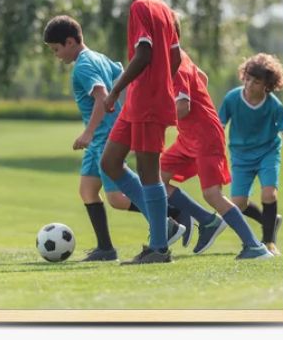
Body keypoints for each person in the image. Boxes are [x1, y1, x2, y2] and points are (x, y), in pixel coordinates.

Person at [43, 15, 185, 262]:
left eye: (56, 49)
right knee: (88, 190)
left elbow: (102, 96)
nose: (57, 55)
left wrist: (88, 133)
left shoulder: (84, 66)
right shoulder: (98, 57)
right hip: (102, 135)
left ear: (69, 42)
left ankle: (165, 222)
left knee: (117, 199)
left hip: (103, 136)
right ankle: (106, 249)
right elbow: (124, 78)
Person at [160, 17, 274, 260]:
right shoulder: (180, 56)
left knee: (212, 194)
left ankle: (255, 246)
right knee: (158, 177)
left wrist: (157, 116)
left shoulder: (176, 66)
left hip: (205, 136)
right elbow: (202, 77)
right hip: (189, 137)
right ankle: (205, 220)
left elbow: (183, 107)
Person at [100, 0, 181, 265]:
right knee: (110, 162)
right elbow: (174, 57)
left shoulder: (139, 8)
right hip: (141, 101)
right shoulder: (166, 9)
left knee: (149, 173)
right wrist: (161, 83)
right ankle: (164, 225)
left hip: (145, 101)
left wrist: (115, 89)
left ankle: (159, 248)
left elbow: (143, 53)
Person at [219, 53, 283, 256]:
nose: (249, 84)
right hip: (240, 156)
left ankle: (269, 242)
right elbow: (219, 125)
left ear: (268, 84)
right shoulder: (232, 98)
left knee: (269, 194)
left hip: (267, 152)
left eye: (256, 82)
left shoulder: (274, 105)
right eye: (247, 78)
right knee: (238, 204)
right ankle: (270, 220)